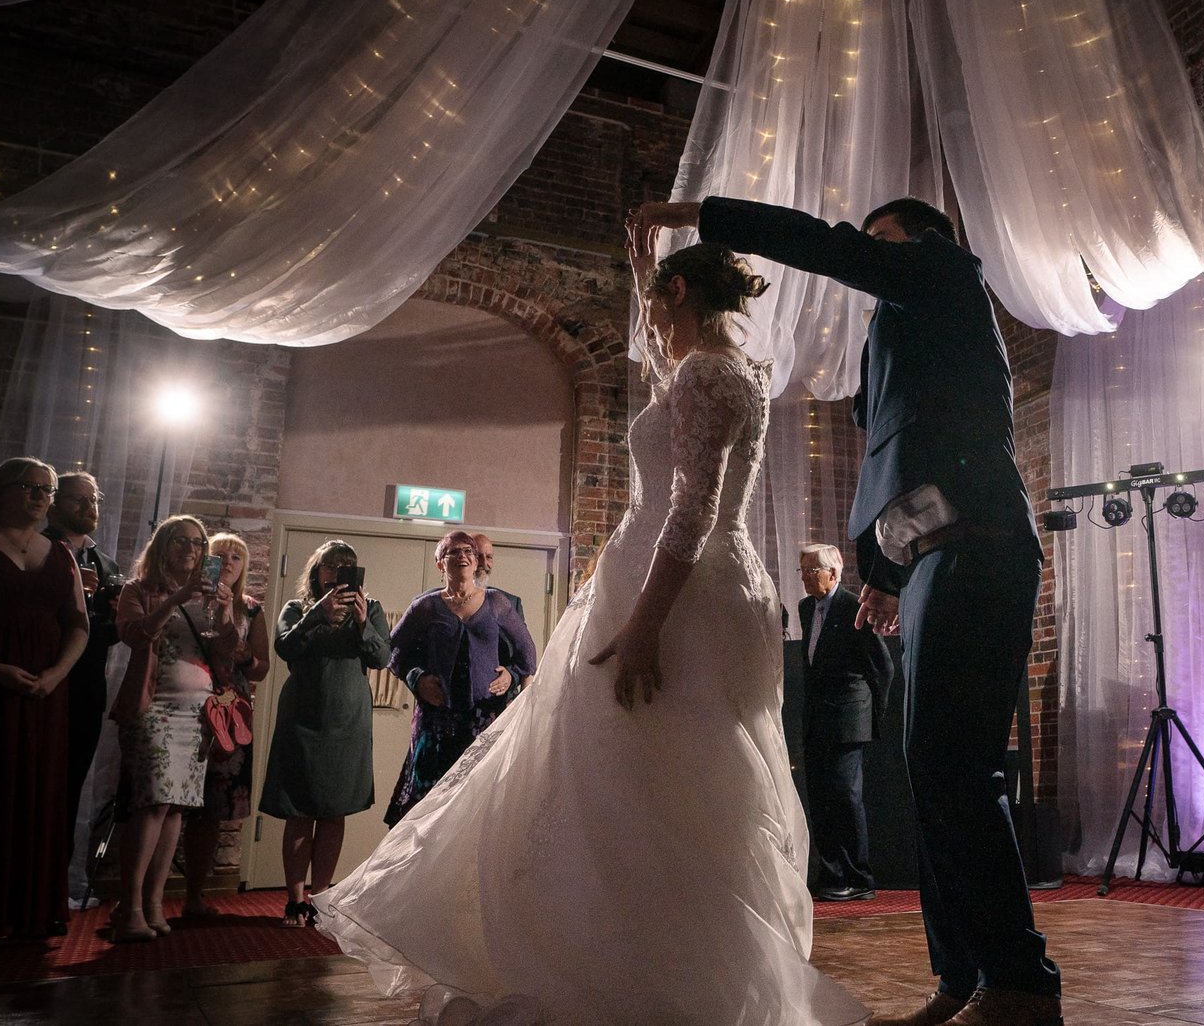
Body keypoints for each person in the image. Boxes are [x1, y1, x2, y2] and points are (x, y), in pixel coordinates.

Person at [317, 229, 866, 1025]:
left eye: (655, 304)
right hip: (664, 584)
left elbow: (692, 510)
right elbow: (665, 355)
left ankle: (668, 977)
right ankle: (617, 955)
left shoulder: (710, 374)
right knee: (623, 778)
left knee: (670, 775)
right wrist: (653, 249)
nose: (651, 325)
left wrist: (643, 624)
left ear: (681, 296)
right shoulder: (714, 367)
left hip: (678, 598)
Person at [637, 195, 1061, 1026]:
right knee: (932, 767)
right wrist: (883, 573)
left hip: (981, 552)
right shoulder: (905, 330)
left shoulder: (945, 273)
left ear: (923, 241)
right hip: (937, 553)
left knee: (954, 765)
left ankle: (1020, 982)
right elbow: (914, 455)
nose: (869, 259)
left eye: (880, 243)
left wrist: (700, 214)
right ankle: (961, 978)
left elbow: (825, 247)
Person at [110, 514, 240, 942]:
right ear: (162, 546)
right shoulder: (139, 590)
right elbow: (134, 634)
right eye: (180, 541)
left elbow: (228, 653)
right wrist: (176, 598)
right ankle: (128, 906)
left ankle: (153, 902)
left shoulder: (208, 597)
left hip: (198, 714)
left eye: (198, 543)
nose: (191, 549)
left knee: (176, 808)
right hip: (154, 709)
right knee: (151, 805)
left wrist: (223, 614)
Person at [0, 457, 89, 950]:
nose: (41, 496)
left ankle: (29, 912)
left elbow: (79, 624)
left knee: (37, 791)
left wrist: (57, 673)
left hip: (45, 690)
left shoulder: (59, 553)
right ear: (1, 490)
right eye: (30, 487)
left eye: (47, 489)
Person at [258, 539, 391, 928]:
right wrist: (317, 614)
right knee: (299, 810)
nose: (337, 572)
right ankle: (294, 899)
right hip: (302, 718)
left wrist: (364, 623)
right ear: (316, 571)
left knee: (334, 811)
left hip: (348, 721)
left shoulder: (373, 609)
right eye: (331, 566)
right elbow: (285, 647)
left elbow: (381, 658)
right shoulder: (297, 609)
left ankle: (321, 899)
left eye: (346, 566)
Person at [381, 529, 535, 826]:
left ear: (476, 562)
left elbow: (527, 655)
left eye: (468, 551)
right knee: (429, 808)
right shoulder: (425, 606)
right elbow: (393, 652)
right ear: (440, 563)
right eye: (453, 552)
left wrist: (512, 676)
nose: (462, 556)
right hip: (437, 723)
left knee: (479, 804)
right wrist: (417, 679)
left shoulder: (498, 602)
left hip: (484, 719)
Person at [180, 532, 271, 918]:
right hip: (186, 701)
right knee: (169, 803)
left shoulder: (250, 609)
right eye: (220, 555)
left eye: (237, 556)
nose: (229, 561)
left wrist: (245, 655)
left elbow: (262, 668)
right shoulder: (184, 600)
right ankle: (146, 893)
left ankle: (194, 895)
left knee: (212, 807)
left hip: (230, 711)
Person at [798, 541, 893, 902]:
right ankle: (833, 874)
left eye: (812, 571)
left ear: (833, 574)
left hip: (848, 720)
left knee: (846, 799)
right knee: (821, 799)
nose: (805, 578)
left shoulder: (855, 607)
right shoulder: (807, 609)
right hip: (817, 721)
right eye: (802, 571)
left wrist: (872, 716)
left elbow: (882, 667)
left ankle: (859, 877)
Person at [44, 471, 124, 855]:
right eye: (79, 499)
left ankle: (53, 887)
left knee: (70, 782)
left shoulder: (104, 562)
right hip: (41, 677)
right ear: (55, 502)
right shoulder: (35, 547)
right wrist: (70, 592)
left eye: (95, 500)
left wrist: (115, 616)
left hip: (87, 685)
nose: (89, 507)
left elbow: (106, 635)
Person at [472, 531, 530, 698]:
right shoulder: (438, 602)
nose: (484, 563)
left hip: (500, 705)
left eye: (489, 557)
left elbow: (525, 657)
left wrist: (511, 675)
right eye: (478, 556)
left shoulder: (510, 603)